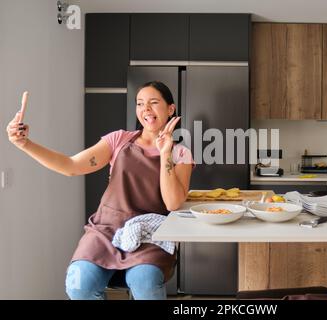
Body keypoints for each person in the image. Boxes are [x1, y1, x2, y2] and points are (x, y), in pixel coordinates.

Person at [6, 81, 194, 299]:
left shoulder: (181, 154)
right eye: (140, 104)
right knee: (79, 285)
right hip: (106, 230)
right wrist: (25, 144)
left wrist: (164, 153)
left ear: (170, 109)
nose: (146, 110)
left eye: (153, 102)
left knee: (146, 283)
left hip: (150, 236)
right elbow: (71, 166)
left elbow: (172, 203)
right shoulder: (119, 140)